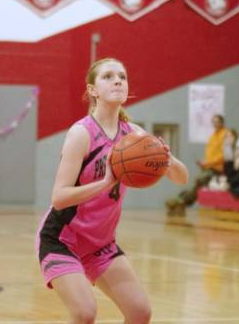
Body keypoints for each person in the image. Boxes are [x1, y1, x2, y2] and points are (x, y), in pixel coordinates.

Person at [36, 58, 188, 324]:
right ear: (92, 90)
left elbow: (182, 178)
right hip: (61, 239)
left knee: (140, 313)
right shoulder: (81, 133)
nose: (118, 80)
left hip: (100, 244)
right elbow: (59, 198)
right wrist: (105, 182)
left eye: (122, 76)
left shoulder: (134, 136)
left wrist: (167, 158)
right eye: (108, 76)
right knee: (85, 313)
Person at [166, 114, 226, 214]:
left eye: (217, 121)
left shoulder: (224, 135)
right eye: (213, 121)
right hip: (209, 167)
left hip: (218, 169)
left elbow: (222, 155)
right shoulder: (212, 136)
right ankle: (180, 201)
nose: (215, 124)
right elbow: (210, 154)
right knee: (196, 185)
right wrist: (204, 163)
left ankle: (180, 201)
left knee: (199, 181)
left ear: (221, 122)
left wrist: (208, 163)